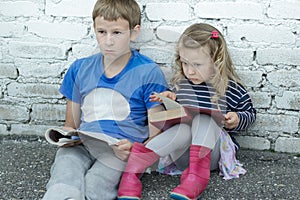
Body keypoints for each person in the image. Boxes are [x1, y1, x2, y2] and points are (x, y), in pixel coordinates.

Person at [42, 0, 168, 199]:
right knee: (64, 177)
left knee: (96, 185)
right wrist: (65, 137)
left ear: (134, 32)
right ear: (94, 29)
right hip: (82, 143)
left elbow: (157, 136)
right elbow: (71, 124)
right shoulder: (79, 69)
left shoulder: (148, 73)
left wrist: (134, 150)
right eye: (102, 32)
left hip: (119, 150)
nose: (108, 41)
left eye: (117, 33)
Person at [117, 23, 256, 200]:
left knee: (204, 119)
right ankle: (132, 173)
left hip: (211, 155)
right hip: (182, 156)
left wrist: (237, 118)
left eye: (197, 64)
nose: (189, 71)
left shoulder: (230, 88)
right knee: (183, 127)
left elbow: (250, 114)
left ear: (216, 60)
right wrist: (169, 101)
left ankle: (197, 178)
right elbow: (179, 116)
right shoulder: (182, 87)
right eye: (184, 63)